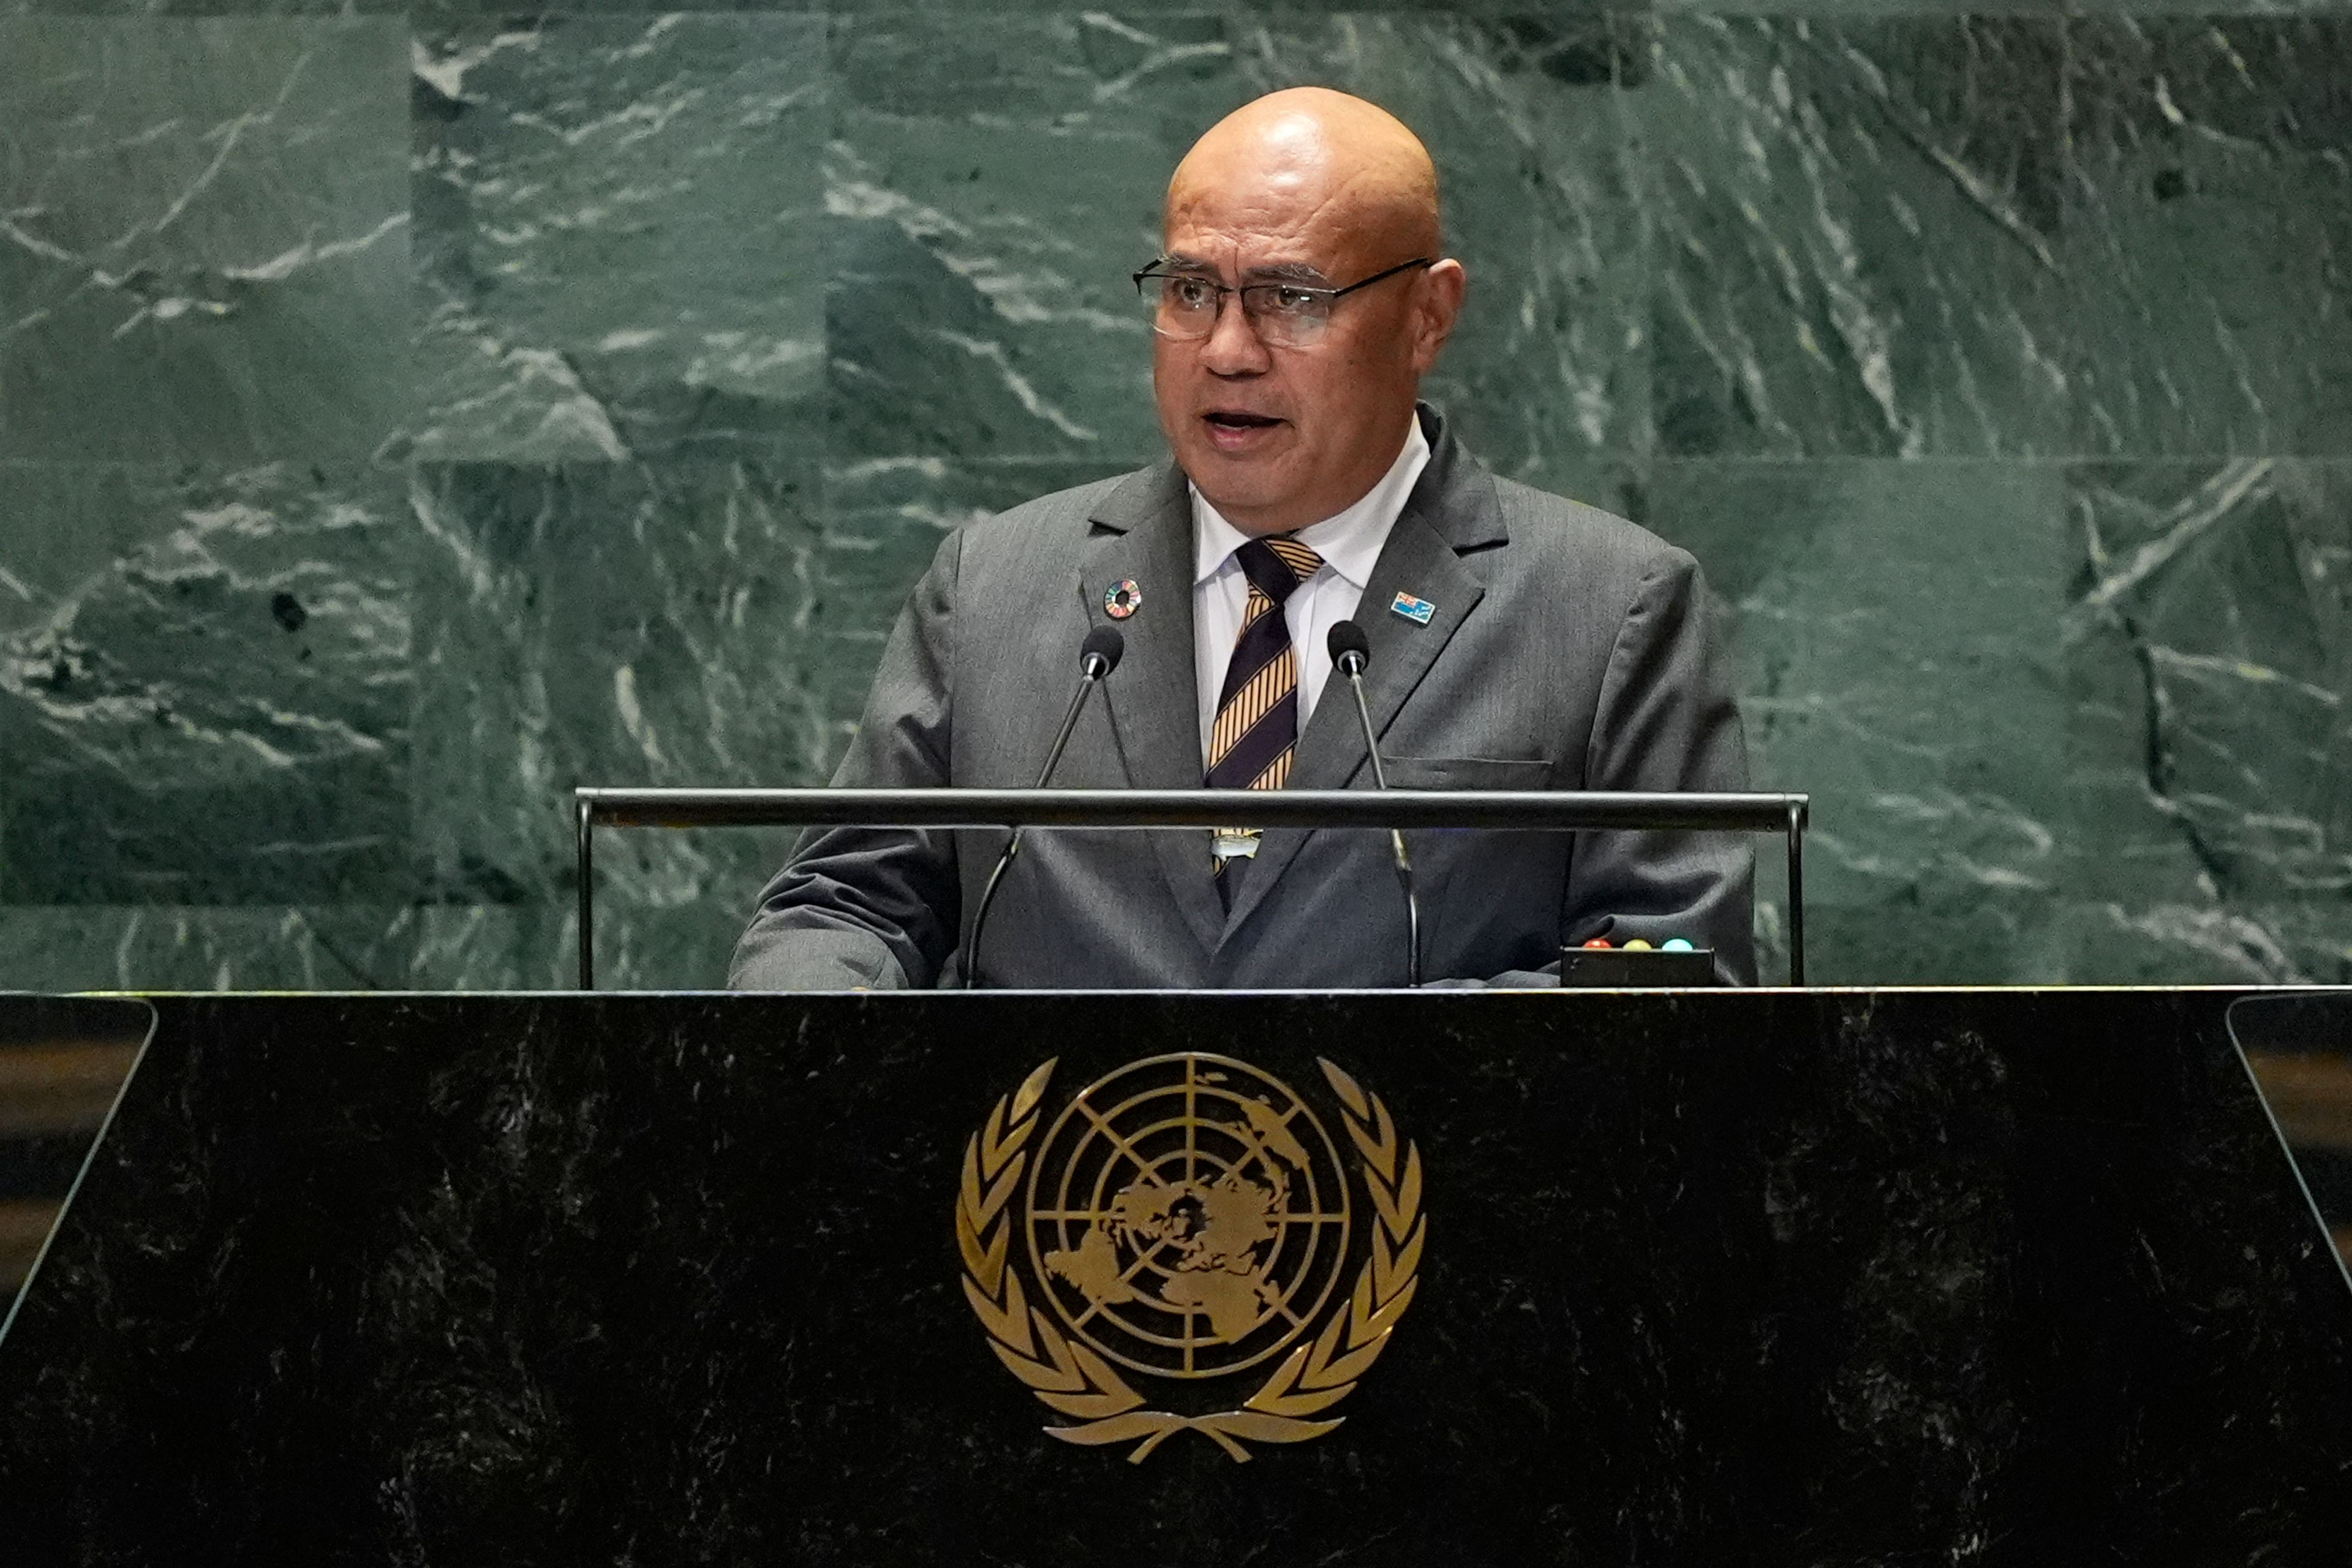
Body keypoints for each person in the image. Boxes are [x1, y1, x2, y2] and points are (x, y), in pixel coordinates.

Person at [730, 87, 1754, 990]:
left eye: (1289, 298)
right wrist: (817, 1033)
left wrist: (1317, 1078)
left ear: (1426, 318)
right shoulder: (994, 588)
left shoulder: (1613, 606)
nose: (1226, 351)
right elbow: (844, 906)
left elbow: (1665, 974)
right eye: (1189, 293)